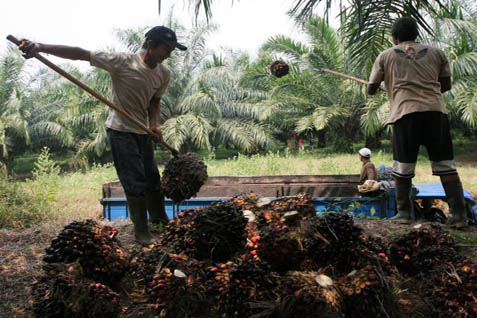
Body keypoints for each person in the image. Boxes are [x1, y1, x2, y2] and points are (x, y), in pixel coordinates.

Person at [19, 26, 188, 244]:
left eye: (172, 50)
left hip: (142, 132)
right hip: (120, 132)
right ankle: (142, 232)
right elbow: (81, 54)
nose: (169, 55)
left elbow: (155, 101)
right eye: (167, 49)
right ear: (152, 44)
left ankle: (159, 219)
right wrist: (40, 47)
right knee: (135, 182)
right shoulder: (122, 62)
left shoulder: (164, 74)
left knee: (153, 180)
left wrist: (154, 125)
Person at [368, 17, 467, 228]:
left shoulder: (385, 56)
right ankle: (459, 216)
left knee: (403, 167)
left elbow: (371, 88)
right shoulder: (437, 53)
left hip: (406, 114)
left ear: (394, 38)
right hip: (435, 113)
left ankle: (404, 213)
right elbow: (446, 85)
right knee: (445, 165)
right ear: (416, 35)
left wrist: (387, 87)